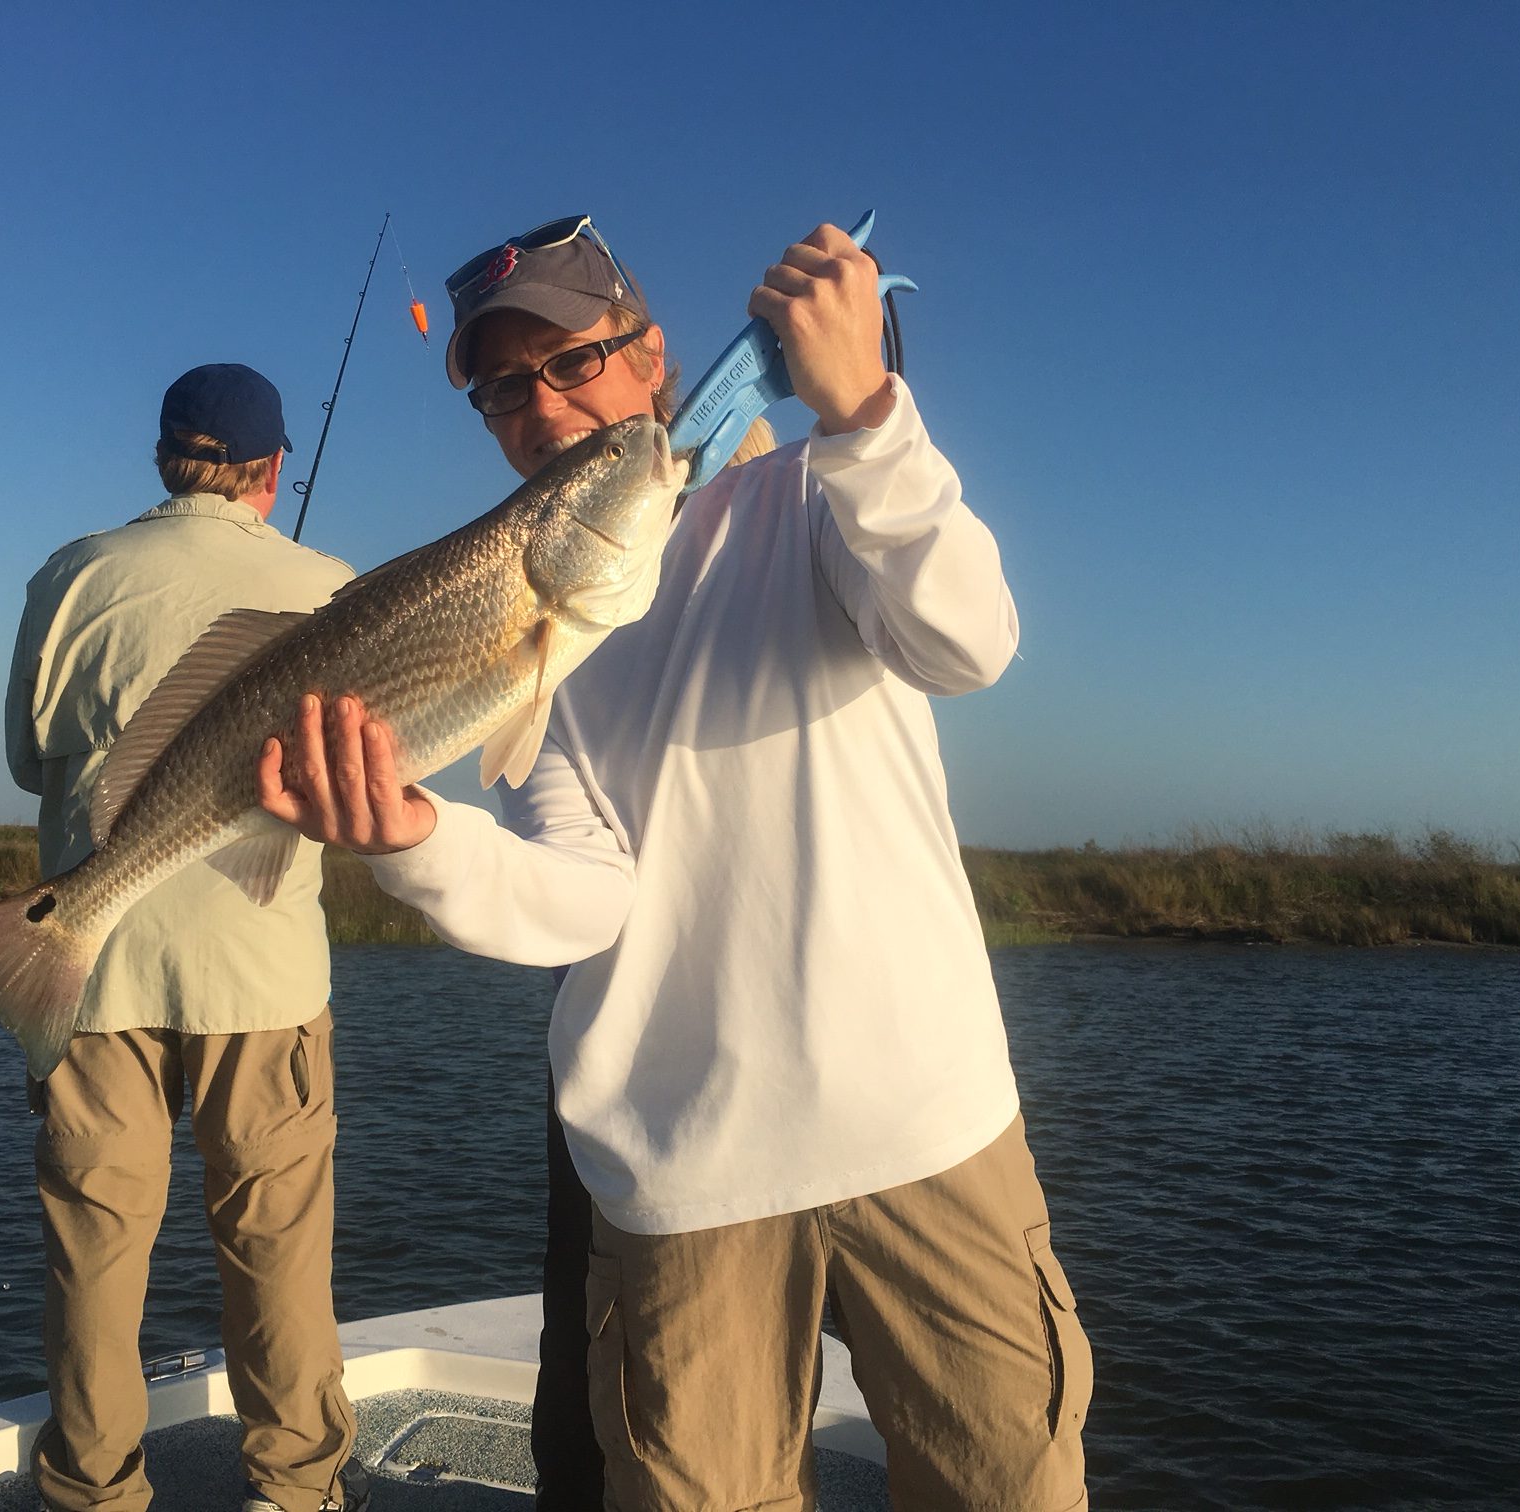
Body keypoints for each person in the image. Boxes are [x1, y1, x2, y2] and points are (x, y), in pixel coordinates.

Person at [258, 218, 1093, 1510]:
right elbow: (583, 898)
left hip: (924, 1122)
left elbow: (966, 643)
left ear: (654, 359)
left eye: (575, 360)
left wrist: (868, 412)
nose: (542, 404)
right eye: (502, 389)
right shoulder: (528, 613)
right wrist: (419, 845)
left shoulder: (825, 494)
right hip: (679, 1170)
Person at [6, 364, 370, 1512]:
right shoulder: (332, 587)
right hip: (261, 971)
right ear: (272, 472)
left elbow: (29, 762)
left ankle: (92, 1491)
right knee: (277, 1253)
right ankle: (297, 1490)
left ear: (164, 457)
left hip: (87, 968)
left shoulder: (72, 574)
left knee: (95, 1256)